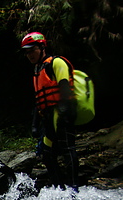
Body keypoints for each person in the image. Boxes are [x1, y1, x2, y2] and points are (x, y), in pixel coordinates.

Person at [21, 31, 79, 189]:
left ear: (42, 47)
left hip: (62, 113)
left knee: (67, 149)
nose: (29, 54)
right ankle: (58, 188)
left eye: (32, 50)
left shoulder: (57, 63)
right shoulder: (37, 71)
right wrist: (34, 124)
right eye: (27, 52)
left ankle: (74, 187)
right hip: (47, 118)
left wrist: (64, 112)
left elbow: (65, 87)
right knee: (47, 155)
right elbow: (38, 101)